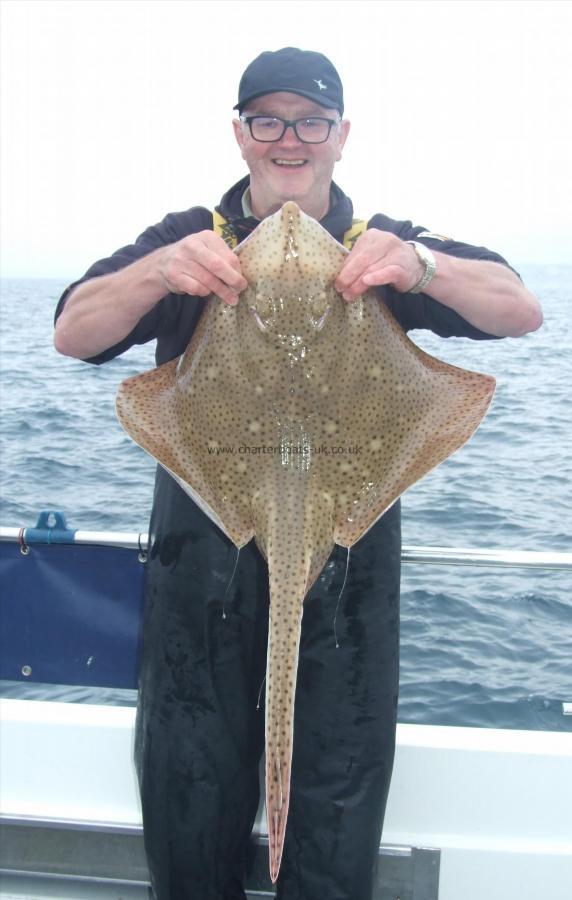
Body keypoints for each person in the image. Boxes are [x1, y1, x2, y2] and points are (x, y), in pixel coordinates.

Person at [54, 47, 542, 900]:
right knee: (190, 791)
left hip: (347, 567)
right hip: (199, 573)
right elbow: (73, 331)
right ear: (240, 135)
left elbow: (520, 308)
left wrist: (419, 267)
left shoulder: (383, 245)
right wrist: (161, 272)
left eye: (310, 120)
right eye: (269, 120)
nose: (291, 138)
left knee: (337, 802)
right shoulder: (188, 237)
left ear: (341, 136)